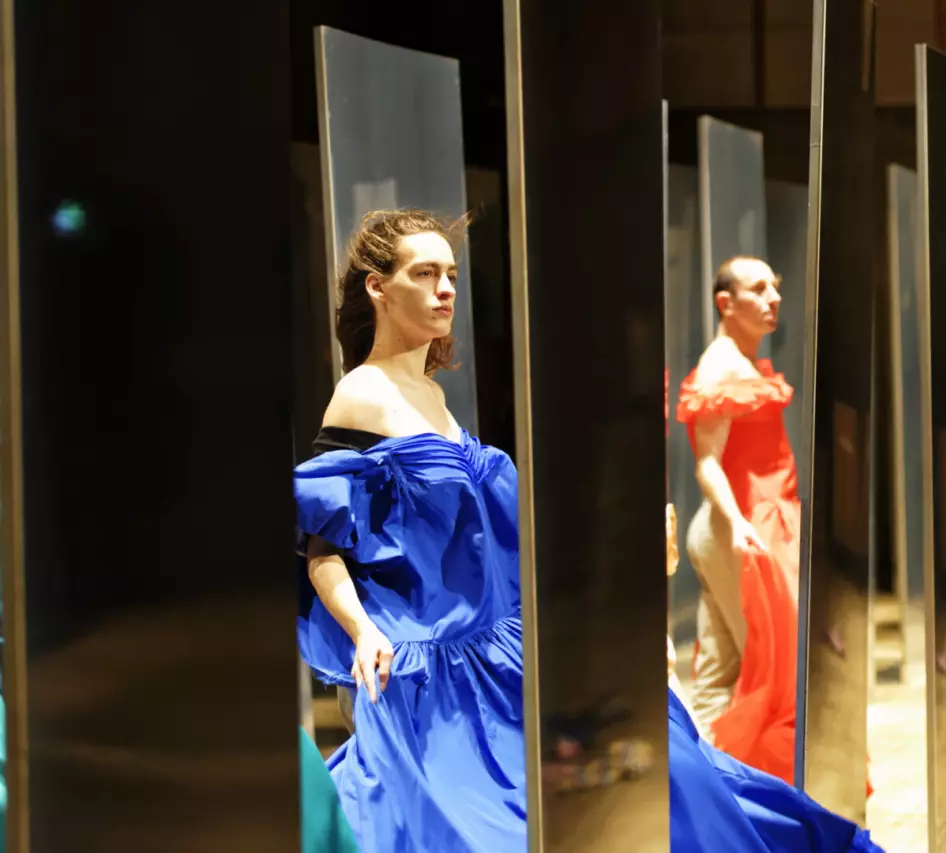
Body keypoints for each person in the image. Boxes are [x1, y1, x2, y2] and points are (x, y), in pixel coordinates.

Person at [295, 209, 881, 852]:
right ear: (378, 287)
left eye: (452, 275)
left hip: (506, 651)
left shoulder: (431, 393)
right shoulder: (362, 394)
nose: (446, 290)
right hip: (437, 677)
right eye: (425, 273)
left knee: (672, 778)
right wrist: (362, 629)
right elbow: (323, 542)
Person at [677, 256, 801, 783]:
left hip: (750, 525)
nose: (774, 297)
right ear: (726, 303)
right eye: (759, 288)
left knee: (723, 668)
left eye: (775, 286)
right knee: (766, 666)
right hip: (740, 529)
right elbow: (707, 462)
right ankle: (728, 786)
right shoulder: (721, 367)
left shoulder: (742, 362)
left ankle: (709, 785)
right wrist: (739, 524)